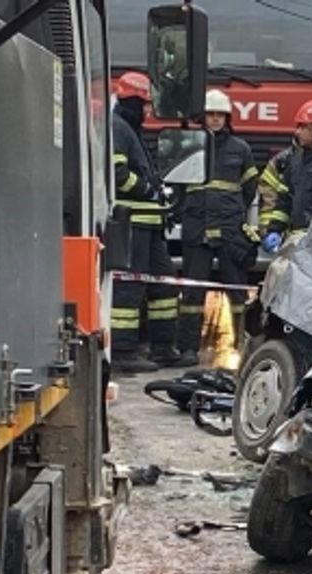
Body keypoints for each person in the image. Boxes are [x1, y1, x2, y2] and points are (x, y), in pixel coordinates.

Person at [173, 89, 260, 366]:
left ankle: (241, 347)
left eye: (219, 114)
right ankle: (188, 349)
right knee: (192, 293)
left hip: (229, 230)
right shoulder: (189, 145)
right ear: (203, 117)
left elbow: (250, 189)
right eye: (210, 114)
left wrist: (231, 213)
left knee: (236, 292)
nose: (215, 119)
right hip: (197, 228)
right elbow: (177, 185)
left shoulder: (240, 149)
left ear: (227, 117)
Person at [110, 72, 179, 373]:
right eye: (145, 105)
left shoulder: (131, 129)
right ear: (133, 101)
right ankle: (123, 350)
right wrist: (147, 190)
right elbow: (118, 174)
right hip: (132, 223)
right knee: (130, 287)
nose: (148, 112)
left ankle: (163, 347)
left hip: (149, 223)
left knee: (163, 283)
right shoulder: (118, 129)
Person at [257, 99, 312, 253]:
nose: (297, 132)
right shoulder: (296, 159)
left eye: (302, 126)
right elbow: (284, 200)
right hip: (296, 243)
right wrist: (275, 229)